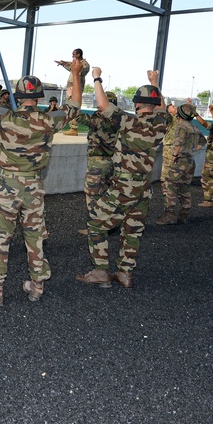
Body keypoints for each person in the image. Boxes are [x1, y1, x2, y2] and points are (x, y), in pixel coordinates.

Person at [0, 54, 80, 306]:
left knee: (1, 236)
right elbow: (74, 105)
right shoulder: (48, 120)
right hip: (34, 186)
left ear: (17, 96)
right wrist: (75, 72)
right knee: (35, 236)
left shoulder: (4, 118)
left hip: (8, 186)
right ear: (39, 96)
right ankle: (37, 286)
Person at [77, 69, 166, 290]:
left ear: (137, 104)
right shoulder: (162, 122)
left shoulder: (130, 122)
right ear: (154, 103)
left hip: (123, 186)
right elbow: (162, 107)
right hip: (144, 188)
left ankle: (100, 272)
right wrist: (154, 83)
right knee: (132, 230)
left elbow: (102, 106)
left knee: (96, 224)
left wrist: (97, 78)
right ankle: (125, 274)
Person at [72, 89, 124, 235]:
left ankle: (97, 228)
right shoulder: (117, 120)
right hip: (111, 162)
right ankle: (111, 223)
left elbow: (77, 116)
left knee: (93, 195)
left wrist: (72, 95)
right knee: (107, 195)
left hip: (98, 164)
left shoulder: (99, 120)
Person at [157, 103, 203, 225]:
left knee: (170, 185)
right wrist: (192, 149)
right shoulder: (194, 127)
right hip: (190, 161)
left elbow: (178, 142)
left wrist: (174, 155)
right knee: (184, 187)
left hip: (180, 161)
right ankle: (184, 214)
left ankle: (169, 214)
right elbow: (203, 141)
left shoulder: (181, 127)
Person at [56, 49, 89, 136]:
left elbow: (79, 70)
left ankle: (74, 128)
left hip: (76, 87)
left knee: (73, 106)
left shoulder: (84, 64)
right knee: (69, 106)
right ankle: (71, 127)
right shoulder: (75, 63)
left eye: (74, 54)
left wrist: (67, 64)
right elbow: (71, 67)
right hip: (71, 87)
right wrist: (63, 63)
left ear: (79, 54)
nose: (72, 56)